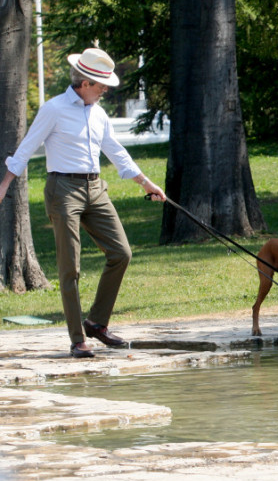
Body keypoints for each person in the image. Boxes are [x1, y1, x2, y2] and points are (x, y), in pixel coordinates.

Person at [0, 48, 166, 358]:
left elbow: (116, 152)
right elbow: (27, 146)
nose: (105, 90)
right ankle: (78, 339)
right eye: (101, 85)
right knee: (70, 267)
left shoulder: (98, 113)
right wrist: (5, 183)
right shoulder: (54, 109)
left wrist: (147, 183)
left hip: (95, 188)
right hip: (63, 189)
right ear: (85, 82)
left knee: (122, 253)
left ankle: (96, 323)